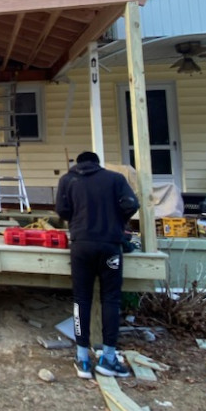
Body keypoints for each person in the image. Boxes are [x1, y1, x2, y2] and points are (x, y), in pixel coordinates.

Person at [55, 151, 139, 379]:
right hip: (110, 247)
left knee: (80, 300)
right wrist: (118, 221)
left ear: (78, 163)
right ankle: (108, 357)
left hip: (81, 246)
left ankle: (82, 358)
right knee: (111, 298)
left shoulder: (68, 179)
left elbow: (62, 211)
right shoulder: (115, 179)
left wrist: (77, 217)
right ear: (97, 163)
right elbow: (131, 204)